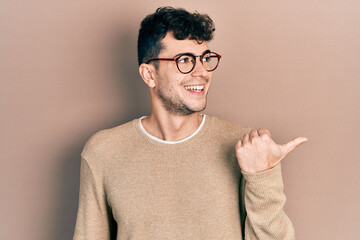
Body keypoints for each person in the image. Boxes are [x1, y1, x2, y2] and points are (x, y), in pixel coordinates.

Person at [73, 6, 308, 240]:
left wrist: (263, 178)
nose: (202, 71)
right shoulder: (104, 152)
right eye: (184, 60)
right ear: (149, 75)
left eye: (205, 58)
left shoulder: (245, 147)